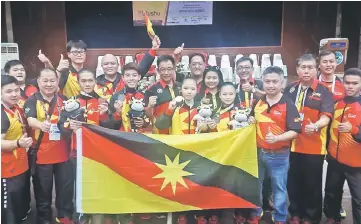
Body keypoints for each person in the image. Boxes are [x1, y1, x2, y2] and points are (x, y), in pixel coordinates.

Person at [248, 66, 302, 224]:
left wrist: (278, 139)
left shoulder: (288, 105)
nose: (271, 85)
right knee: (256, 186)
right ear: (262, 82)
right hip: (258, 153)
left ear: (282, 83)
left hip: (279, 155)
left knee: (279, 189)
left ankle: (279, 217)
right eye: (267, 81)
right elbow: (252, 119)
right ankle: (256, 213)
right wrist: (251, 120)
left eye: (274, 82)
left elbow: (296, 131)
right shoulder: (258, 102)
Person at [284, 54, 334, 224]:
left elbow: (327, 116)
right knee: (293, 182)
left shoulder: (324, 91)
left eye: (310, 67)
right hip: (290, 146)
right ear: (297, 69)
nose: (306, 71)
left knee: (312, 185)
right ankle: (295, 214)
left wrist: (317, 125)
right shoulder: (289, 89)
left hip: (313, 147)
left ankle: (311, 217)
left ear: (316, 69)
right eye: (303, 67)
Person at [58, 69, 110, 224]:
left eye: (90, 81)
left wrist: (106, 115)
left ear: (95, 82)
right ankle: (76, 213)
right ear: (78, 83)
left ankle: (94, 212)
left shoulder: (103, 101)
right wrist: (69, 125)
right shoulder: (71, 101)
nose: (87, 84)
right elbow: (61, 124)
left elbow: (112, 127)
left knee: (95, 184)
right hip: (76, 152)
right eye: (84, 81)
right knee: (75, 184)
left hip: (98, 153)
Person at [24, 68, 73, 224]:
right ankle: (44, 219)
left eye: (52, 80)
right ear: (38, 82)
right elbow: (30, 120)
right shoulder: (32, 100)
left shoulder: (64, 99)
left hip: (63, 154)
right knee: (43, 192)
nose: (49, 84)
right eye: (45, 80)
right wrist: (41, 125)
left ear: (57, 82)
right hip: (42, 155)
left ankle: (64, 216)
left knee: (64, 190)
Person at [155, 77, 200, 224]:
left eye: (192, 89)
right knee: (178, 187)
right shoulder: (174, 107)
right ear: (181, 90)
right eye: (186, 88)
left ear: (197, 90)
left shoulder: (201, 107)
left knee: (194, 186)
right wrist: (170, 109)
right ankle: (178, 214)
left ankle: (191, 214)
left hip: (197, 154)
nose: (189, 91)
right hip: (176, 154)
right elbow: (160, 125)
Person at [323, 68, 361, 224]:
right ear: (342, 83)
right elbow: (327, 129)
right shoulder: (336, 104)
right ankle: (332, 217)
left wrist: (353, 129)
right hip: (334, 160)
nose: (350, 86)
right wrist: (327, 150)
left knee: (359, 200)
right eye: (347, 83)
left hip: (356, 164)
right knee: (331, 192)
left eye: (355, 83)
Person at [1, 75, 33, 224]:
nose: (14, 94)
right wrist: (19, 143)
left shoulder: (16, 108)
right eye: (8, 91)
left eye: (16, 90)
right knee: (8, 211)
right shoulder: (2, 114)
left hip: (19, 165)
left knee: (19, 204)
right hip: (6, 169)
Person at [145, 55, 181, 134]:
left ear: (174, 69)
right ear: (158, 70)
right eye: (162, 69)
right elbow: (147, 116)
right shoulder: (151, 90)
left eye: (169, 69)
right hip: (161, 133)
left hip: (180, 131)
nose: (166, 73)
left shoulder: (181, 87)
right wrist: (149, 106)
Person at [109, 62, 148, 133]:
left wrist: (144, 123)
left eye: (134, 75)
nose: (131, 78)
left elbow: (150, 120)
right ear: (123, 78)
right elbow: (111, 126)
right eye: (127, 75)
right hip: (122, 137)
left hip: (140, 137)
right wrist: (118, 113)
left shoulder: (145, 96)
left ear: (139, 77)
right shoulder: (116, 97)